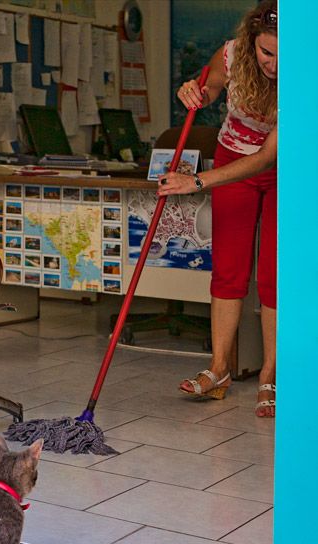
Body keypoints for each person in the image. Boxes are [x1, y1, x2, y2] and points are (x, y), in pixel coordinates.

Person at [157, 0, 277, 418]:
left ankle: (269, 377)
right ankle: (220, 370)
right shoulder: (232, 53)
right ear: (250, 42)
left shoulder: (305, 77)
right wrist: (195, 90)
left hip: (283, 169)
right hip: (231, 158)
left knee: (273, 275)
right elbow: (207, 89)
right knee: (228, 269)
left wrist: (195, 181)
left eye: (283, 56)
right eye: (266, 53)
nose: (273, 65)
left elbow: (265, 158)